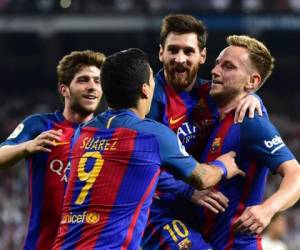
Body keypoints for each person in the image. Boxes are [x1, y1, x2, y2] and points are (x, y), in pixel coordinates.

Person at [52, 48, 245, 250]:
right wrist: (223, 166)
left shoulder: (82, 133)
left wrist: (185, 191)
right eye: (153, 79)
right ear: (145, 89)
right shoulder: (151, 135)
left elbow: (133, 167)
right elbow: (203, 177)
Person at [142, 14, 264, 250]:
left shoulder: (212, 94)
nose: (180, 59)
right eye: (173, 50)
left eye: (188, 51)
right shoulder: (149, 102)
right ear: (161, 53)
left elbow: (241, 89)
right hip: (159, 212)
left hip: (204, 211)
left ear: (202, 56)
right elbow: (139, 163)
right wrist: (188, 190)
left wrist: (253, 97)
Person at [195, 34, 300, 249]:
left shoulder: (251, 123)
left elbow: (296, 172)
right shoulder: (209, 113)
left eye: (228, 67)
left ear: (252, 81)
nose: (215, 71)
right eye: (217, 64)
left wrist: (268, 209)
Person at [0, 50, 106, 250]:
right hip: (43, 245)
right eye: (83, 80)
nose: (92, 87)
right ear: (64, 89)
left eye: (97, 81)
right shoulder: (39, 125)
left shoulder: (110, 132)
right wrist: (26, 147)